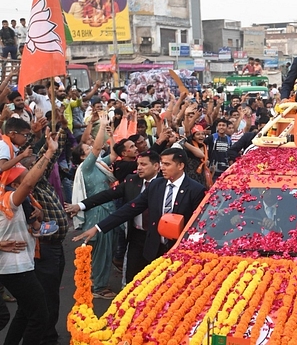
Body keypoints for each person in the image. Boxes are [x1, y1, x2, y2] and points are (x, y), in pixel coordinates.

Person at [73, 148, 207, 264]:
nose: (162, 167)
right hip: (154, 248)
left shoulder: (196, 190)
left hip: (179, 251)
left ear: (180, 166)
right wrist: (98, 227)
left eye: (167, 164)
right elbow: (130, 208)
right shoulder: (156, 185)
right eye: (161, 164)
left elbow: (199, 225)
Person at [0, 132, 59, 344]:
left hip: (21, 264)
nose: (31, 181)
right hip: (14, 267)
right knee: (39, 316)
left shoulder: (21, 202)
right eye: (25, 177)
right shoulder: (9, 199)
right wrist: (49, 152)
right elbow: (27, 184)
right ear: (15, 184)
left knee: (25, 313)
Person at [67, 151, 162, 283]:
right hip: (136, 235)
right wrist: (81, 205)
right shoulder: (132, 180)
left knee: (156, 277)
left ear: (156, 166)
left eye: (144, 164)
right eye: (138, 164)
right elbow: (107, 195)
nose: (139, 167)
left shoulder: (165, 184)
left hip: (158, 237)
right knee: (133, 278)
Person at [70, 113, 118, 299]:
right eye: (87, 148)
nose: (92, 148)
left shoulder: (98, 165)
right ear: (83, 156)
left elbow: (113, 154)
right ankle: (98, 287)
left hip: (107, 210)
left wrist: (110, 134)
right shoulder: (86, 167)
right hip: (96, 213)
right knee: (100, 252)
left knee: (108, 250)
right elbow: (98, 147)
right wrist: (102, 127)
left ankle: (99, 283)